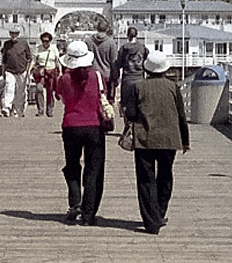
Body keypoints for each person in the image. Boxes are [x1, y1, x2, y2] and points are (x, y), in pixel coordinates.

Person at [123, 50, 190, 235]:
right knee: (165, 176)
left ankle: (151, 221)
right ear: (164, 69)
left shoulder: (138, 87)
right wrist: (185, 140)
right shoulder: (173, 87)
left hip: (145, 138)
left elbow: (131, 113)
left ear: (146, 68)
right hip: (170, 138)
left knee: (146, 179)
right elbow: (181, 115)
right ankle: (159, 213)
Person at [55, 40, 107, 226]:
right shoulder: (97, 77)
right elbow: (103, 98)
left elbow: (60, 97)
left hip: (70, 126)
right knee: (94, 170)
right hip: (94, 127)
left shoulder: (64, 79)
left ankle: (75, 202)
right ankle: (88, 214)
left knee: (72, 165)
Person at [113, 26, 148, 127]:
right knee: (139, 103)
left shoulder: (124, 48)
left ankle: (128, 126)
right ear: (137, 35)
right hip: (140, 79)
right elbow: (147, 64)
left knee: (126, 105)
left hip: (127, 79)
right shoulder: (143, 48)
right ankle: (138, 126)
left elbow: (118, 64)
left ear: (127, 35)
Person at [1, 26, 32, 117]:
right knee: (9, 88)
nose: (13, 35)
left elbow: (29, 58)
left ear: (18, 34)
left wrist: (28, 72)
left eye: (15, 33)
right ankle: (7, 107)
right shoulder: (6, 44)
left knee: (20, 92)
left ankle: (19, 111)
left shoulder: (24, 43)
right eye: (12, 33)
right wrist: (3, 72)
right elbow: (4, 60)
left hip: (22, 71)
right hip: (10, 71)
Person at [86, 18, 117, 103]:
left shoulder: (88, 41)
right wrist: (115, 78)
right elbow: (113, 61)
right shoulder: (111, 43)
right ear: (107, 29)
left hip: (93, 74)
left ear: (97, 28)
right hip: (107, 75)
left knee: (93, 100)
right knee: (106, 101)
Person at [32, 31, 62, 117]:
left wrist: (60, 72)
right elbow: (34, 61)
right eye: (43, 41)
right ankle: (40, 110)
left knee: (50, 91)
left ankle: (49, 110)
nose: (45, 43)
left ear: (50, 41)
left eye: (47, 41)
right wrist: (29, 70)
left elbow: (57, 61)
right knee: (39, 89)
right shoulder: (38, 49)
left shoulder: (54, 49)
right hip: (41, 71)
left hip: (51, 71)